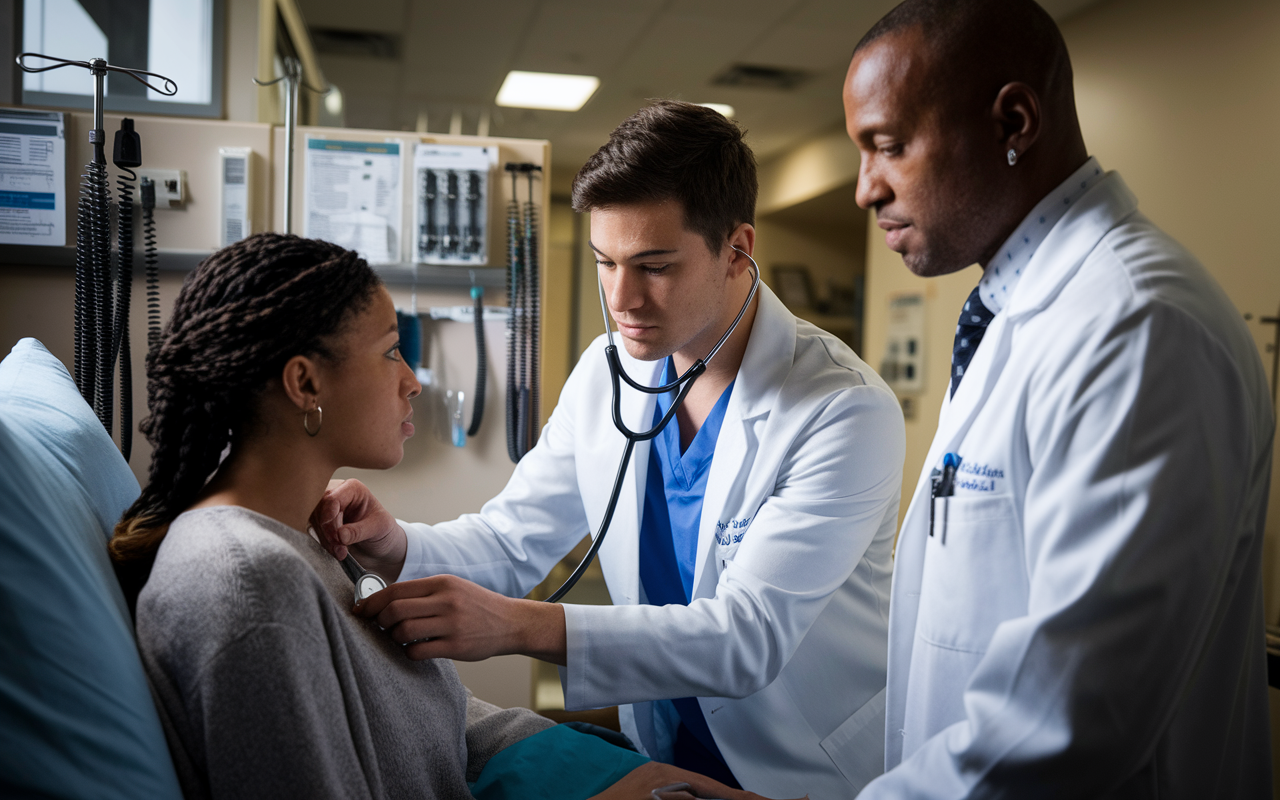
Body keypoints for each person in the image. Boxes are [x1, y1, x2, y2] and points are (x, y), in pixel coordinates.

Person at [314, 101, 905, 798]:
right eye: (606, 262)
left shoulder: (842, 408)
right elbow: (512, 540)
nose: (624, 298)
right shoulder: (609, 372)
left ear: (738, 249)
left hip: (808, 768)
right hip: (664, 757)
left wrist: (515, 627)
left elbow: (748, 637)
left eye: (654, 265)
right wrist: (393, 543)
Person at [109, 234, 762, 800]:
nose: (412, 380)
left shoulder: (304, 535)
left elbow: (437, 723)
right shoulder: (244, 581)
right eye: (392, 351)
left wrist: (598, 776)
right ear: (305, 384)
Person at [841, 1, 1274, 797]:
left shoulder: (1137, 325)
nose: (867, 190)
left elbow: (1074, 718)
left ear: (1014, 121)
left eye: (890, 147)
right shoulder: (1021, 311)